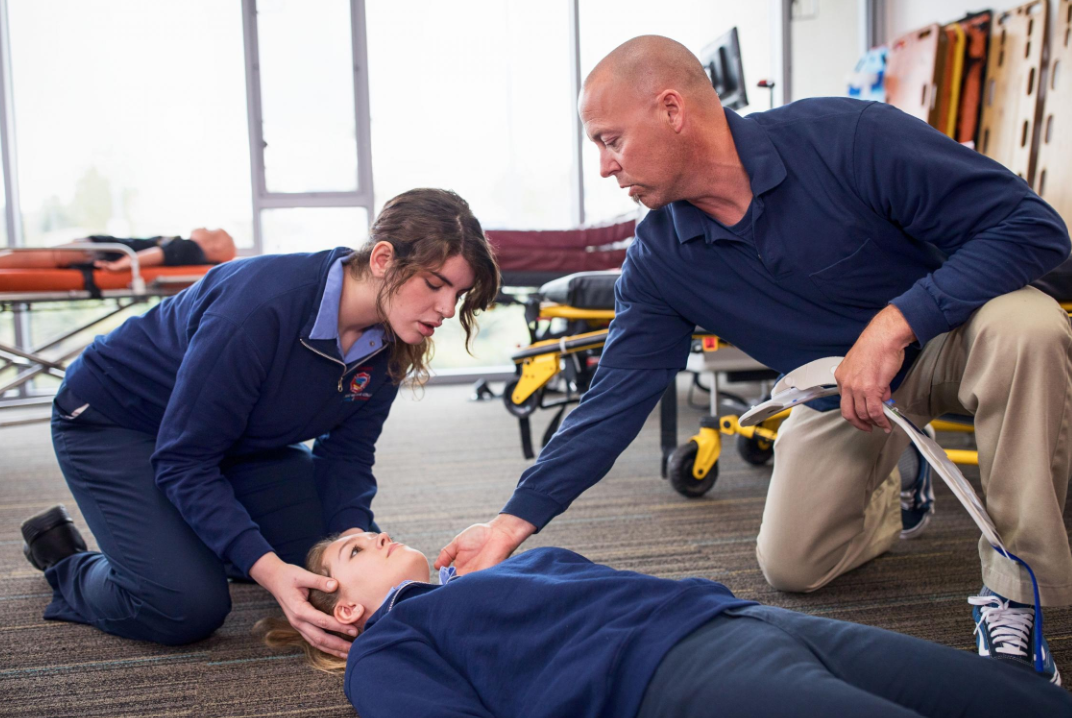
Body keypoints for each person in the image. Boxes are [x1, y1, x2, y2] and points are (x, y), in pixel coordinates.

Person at [436, 35, 1072, 687]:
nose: (604, 166)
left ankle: (1018, 595)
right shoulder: (660, 260)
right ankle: (894, 482)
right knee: (793, 566)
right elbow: (612, 402)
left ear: (672, 110)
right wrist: (511, 523)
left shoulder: (847, 138)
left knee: (1028, 325)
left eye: (610, 140)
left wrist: (895, 323)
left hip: (952, 339)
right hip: (843, 395)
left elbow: (1035, 229)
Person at [19, 188, 499, 659]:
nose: (446, 310)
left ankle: (203, 541)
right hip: (117, 419)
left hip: (237, 442)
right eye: (435, 285)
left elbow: (346, 455)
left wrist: (356, 542)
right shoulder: (258, 308)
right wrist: (267, 568)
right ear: (382, 259)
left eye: (457, 294)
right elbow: (184, 460)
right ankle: (66, 561)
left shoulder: (393, 340)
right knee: (185, 605)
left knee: (326, 561)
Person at [255, 531, 1072, 717]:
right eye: (356, 549)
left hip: (739, 615)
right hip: (677, 677)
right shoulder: (388, 646)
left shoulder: (478, 581)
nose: (378, 534)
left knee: (1011, 696)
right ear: (347, 607)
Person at [0, 227, 237, 270]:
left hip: (104, 250)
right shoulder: (191, 251)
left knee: (48, 256)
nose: (203, 226)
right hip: (105, 249)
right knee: (47, 256)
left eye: (211, 230)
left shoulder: (190, 248)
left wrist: (121, 264)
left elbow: (157, 254)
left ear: (214, 247)